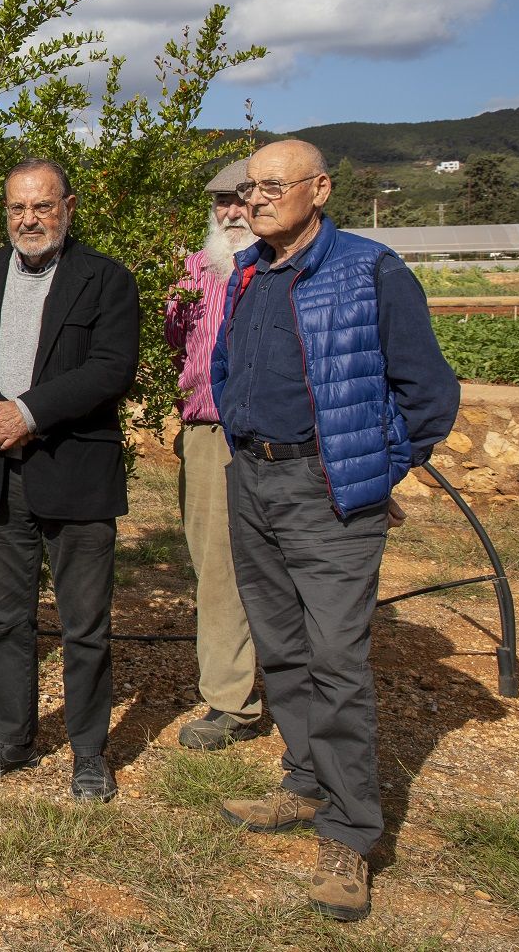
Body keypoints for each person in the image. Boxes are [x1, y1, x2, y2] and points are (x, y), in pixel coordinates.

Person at [211, 140, 458, 923]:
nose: (256, 199)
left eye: (272, 186)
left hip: (326, 490)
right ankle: (303, 778)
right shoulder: (252, 270)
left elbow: (430, 393)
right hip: (252, 477)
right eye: (250, 188)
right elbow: (225, 368)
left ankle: (349, 830)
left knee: (336, 658)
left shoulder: (369, 269)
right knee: (280, 645)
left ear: (319, 188)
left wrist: (373, 468)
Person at [0, 158, 139, 804]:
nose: (29, 219)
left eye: (42, 206)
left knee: (84, 624)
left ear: (68, 206)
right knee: (4, 619)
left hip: (73, 472)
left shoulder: (104, 280)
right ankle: (12, 738)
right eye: (18, 208)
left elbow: (111, 368)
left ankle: (88, 752)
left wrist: (31, 412)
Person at [163, 156, 263, 750]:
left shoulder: (289, 269)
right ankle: (232, 700)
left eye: (242, 198)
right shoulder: (197, 270)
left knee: (290, 562)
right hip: (209, 432)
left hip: (287, 435)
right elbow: (179, 339)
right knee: (217, 567)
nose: (230, 211)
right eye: (221, 201)